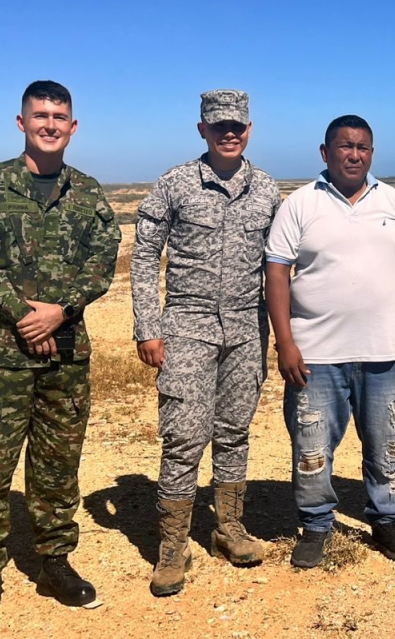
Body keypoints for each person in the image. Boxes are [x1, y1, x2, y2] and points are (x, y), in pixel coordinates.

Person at [0, 81, 121, 634]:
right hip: (1, 357)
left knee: (57, 466)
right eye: (40, 115)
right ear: (21, 122)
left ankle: (54, 562)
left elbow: (103, 261)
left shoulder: (88, 194)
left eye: (60, 116)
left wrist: (61, 311)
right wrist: (28, 315)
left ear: (73, 127)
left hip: (65, 357)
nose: (50, 123)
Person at [130, 90, 281, 596]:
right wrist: (147, 326)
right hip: (187, 326)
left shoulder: (266, 190)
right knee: (183, 436)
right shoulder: (175, 185)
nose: (229, 133)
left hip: (244, 328)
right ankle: (172, 545)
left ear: (249, 128)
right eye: (218, 126)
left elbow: (279, 265)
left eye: (236, 125)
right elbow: (145, 257)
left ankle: (228, 527)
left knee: (234, 431)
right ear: (202, 130)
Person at [264, 115, 395, 568]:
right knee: (311, 445)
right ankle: (316, 525)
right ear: (325, 152)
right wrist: (286, 342)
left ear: (372, 153)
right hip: (315, 355)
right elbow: (276, 273)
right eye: (345, 146)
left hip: (383, 352)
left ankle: (386, 520)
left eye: (363, 148)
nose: (354, 155)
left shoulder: (393, 202)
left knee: (385, 444)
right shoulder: (299, 205)